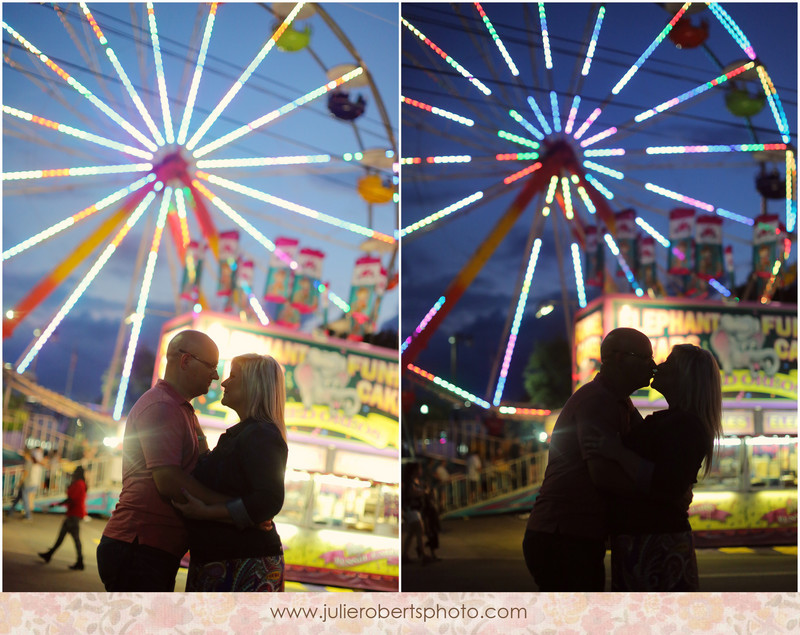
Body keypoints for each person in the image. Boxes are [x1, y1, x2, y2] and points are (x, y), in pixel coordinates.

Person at [522, 327, 656, 591]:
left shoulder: (618, 401)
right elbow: (603, 474)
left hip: (569, 533)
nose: (652, 366)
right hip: (564, 535)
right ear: (618, 358)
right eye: (644, 358)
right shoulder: (598, 402)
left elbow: (650, 444)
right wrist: (657, 491)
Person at [96, 330, 232, 591]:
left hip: (149, 548)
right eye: (212, 367)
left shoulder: (180, 409)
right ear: (186, 361)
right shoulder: (163, 407)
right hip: (140, 546)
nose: (216, 376)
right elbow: (168, 479)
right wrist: (230, 507)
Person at [584, 344, 722, 591]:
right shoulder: (671, 421)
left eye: (669, 362)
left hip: (655, 542)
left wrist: (617, 452)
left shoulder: (685, 426)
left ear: (684, 377)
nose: (659, 366)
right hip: (646, 537)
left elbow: (663, 483)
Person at [172, 353, 288, 592]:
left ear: (254, 385)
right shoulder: (246, 434)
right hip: (223, 559)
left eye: (233, 376)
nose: (224, 383)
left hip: (242, 562)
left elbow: (268, 500)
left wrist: (208, 512)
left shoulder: (262, 435)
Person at [38, 466, 88, 570]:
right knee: (63, 536)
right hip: (73, 514)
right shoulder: (79, 483)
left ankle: (80, 561)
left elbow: (71, 499)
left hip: (74, 514)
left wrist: (55, 505)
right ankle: (50, 554)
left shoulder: (79, 484)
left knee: (75, 539)